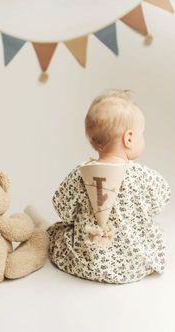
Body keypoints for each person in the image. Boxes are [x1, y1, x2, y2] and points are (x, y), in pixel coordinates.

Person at [46, 88, 171, 284]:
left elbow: (64, 211)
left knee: (56, 232)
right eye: (142, 133)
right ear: (129, 138)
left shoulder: (79, 174)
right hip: (133, 264)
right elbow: (161, 201)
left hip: (86, 262)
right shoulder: (144, 176)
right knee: (153, 232)